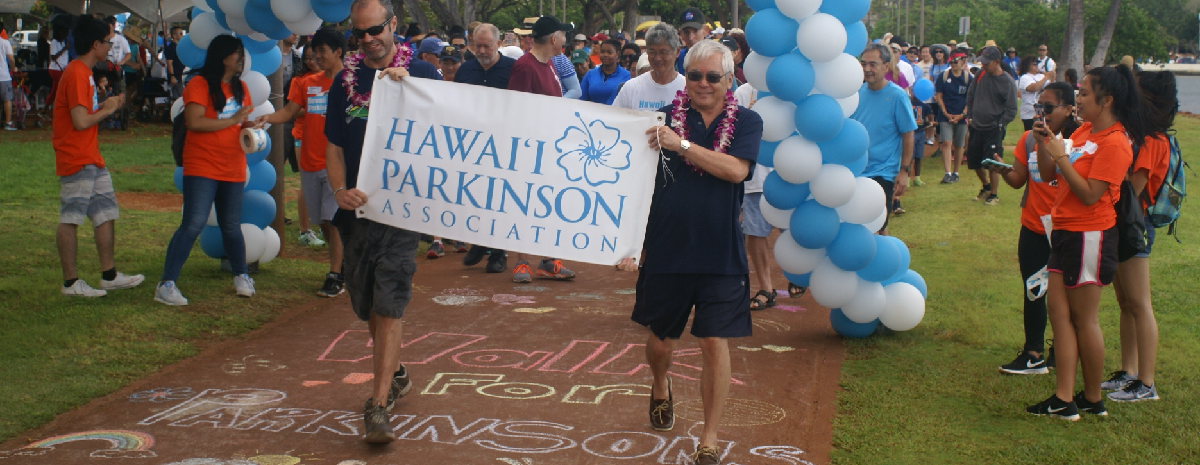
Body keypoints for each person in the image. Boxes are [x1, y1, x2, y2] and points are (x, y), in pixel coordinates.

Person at [630, 38, 763, 465]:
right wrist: (628, 243)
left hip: (721, 253)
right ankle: (660, 383)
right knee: (661, 343)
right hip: (667, 251)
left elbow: (735, 170)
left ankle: (708, 438)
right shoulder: (659, 121)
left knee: (713, 341)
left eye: (711, 77)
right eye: (694, 76)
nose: (701, 84)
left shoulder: (746, 121)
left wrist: (681, 146)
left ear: (729, 79)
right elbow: (630, 185)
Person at [324, 0, 440, 443]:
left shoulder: (424, 75)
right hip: (356, 210)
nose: (369, 39)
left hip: (404, 211)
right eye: (360, 33)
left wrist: (408, 92)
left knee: (390, 302)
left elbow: (451, 134)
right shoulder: (344, 81)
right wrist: (339, 191)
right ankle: (395, 370)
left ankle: (377, 406)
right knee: (367, 304)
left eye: (375, 30)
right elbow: (333, 145)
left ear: (392, 25)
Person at [1025, 64, 1147, 420]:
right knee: (1059, 314)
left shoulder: (1116, 142)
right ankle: (1064, 398)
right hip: (1064, 231)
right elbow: (1050, 175)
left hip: (1089, 234)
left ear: (1106, 100)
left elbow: (1091, 195)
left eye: (1083, 93)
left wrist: (1062, 155)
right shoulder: (1085, 132)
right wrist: (1045, 141)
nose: (1077, 98)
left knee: (1084, 319)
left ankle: (1092, 398)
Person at [154, 35, 256, 306]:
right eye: (237, 54)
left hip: (233, 166)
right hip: (202, 165)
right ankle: (166, 283)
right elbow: (195, 122)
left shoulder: (241, 88)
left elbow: (240, 125)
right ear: (223, 56)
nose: (241, 59)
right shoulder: (198, 85)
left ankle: (241, 275)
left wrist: (250, 129)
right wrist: (234, 120)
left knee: (231, 226)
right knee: (193, 224)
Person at [52, 15, 144, 297]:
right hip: (76, 157)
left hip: (90, 156)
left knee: (105, 213)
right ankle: (71, 282)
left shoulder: (84, 72)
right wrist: (109, 108)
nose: (109, 46)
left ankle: (109, 275)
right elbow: (80, 121)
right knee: (71, 217)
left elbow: (84, 117)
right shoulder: (78, 73)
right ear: (94, 44)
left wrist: (105, 106)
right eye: (106, 41)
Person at [990, 82, 1078, 375]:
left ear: (1069, 109)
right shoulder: (1029, 138)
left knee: (1067, 295)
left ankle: (1061, 351)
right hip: (1034, 227)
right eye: (1039, 107)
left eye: (1049, 107)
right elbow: (1018, 180)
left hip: (1067, 230)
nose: (1042, 113)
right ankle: (1033, 353)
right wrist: (1002, 170)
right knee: (1033, 291)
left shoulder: (1079, 141)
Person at [255, 28, 347, 298]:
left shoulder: (351, 83)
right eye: (314, 52)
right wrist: (266, 118)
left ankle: (335, 273)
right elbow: (288, 112)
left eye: (322, 51)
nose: (317, 56)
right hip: (309, 161)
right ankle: (344, 265)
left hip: (338, 164)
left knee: (335, 220)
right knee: (324, 224)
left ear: (338, 52)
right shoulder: (306, 83)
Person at [1103, 70, 1178, 403]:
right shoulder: (1143, 135)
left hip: (1136, 225)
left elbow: (1135, 187)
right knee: (1125, 302)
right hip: (1125, 223)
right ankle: (1128, 370)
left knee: (1139, 303)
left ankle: (1146, 382)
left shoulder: (1152, 140)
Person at [505, 15, 579, 283]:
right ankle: (522, 261)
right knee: (526, 203)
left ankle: (548, 260)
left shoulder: (549, 65)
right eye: (563, 35)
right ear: (553, 39)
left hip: (550, 147)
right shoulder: (526, 67)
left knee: (548, 203)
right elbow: (516, 110)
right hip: (531, 149)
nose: (566, 40)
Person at [850, 43, 917, 235]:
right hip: (856, 172)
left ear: (886, 67)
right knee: (865, 226)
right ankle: (882, 261)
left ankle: (881, 261)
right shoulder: (854, 95)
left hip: (883, 173)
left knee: (874, 224)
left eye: (873, 64)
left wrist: (904, 171)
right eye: (863, 64)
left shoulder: (897, 96)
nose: (867, 69)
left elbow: (908, 134)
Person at [964, 46, 1017, 206]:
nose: (983, 65)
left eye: (987, 63)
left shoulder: (1007, 81)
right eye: (982, 62)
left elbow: (1011, 108)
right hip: (976, 125)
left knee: (993, 161)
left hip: (994, 127)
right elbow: (971, 95)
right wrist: (970, 116)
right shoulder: (980, 75)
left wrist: (1000, 124)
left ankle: (994, 194)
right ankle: (985, 186)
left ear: (996, 62)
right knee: (974, 161)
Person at [612, 22, 685, 111]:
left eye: (663, 52)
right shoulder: (631, 88)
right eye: (652, 52)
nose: (657, 58)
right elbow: (615, 120)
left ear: (677, 52)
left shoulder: (687, 88)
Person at [579, 38, 631, 104]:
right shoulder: (590, 74)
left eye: (609, 52)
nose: (605, 55)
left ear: (617, 54)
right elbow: (581, 100)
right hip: (591, 113)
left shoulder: (627, 76)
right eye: (602, 52)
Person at [1018, 56, 1053, 131]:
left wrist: (1051, 76)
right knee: (1031, 135)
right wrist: (1046, 78)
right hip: (1029, 114)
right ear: (1027, 66)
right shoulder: (1025, 77)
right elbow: (1033, 88)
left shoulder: (1041, 76)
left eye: (1037, 64)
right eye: (1034, 64)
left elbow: (1050, 87)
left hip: (1041, 111)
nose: (1036, 66)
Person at [675, 7, 704, 74]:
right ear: (680, 33)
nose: (691, 37)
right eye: (686, 32)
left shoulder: (719, 58)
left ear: (705, 30)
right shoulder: (676, 59)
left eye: (695, 31)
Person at [164, 26, 185, 99]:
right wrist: (172, 76)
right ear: (174, 36)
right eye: (180, 33)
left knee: (178, 97)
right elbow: (169, 63)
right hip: (176, 76)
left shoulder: (179, 47)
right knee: (181, 97)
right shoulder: (171, 48)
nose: (182, 35)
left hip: (181, 75)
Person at [0, 22, 14, 131]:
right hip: (4, 75)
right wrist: (13, 68)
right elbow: (10, 58)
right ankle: (8, 123)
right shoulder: (5, 43)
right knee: (7, 100)